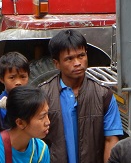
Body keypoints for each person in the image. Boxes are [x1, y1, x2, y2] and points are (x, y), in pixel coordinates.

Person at [40, 30, 123, 163]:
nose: (77, 63)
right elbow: (36, 141)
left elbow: (111, 139)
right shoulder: (43, 95)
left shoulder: (103, 94)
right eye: (69, 59)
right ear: (56, 63)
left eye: (81, 56)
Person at [0, 52, 31, 134]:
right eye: (12, 77)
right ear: (2, 79)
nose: (18, 82)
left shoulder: (33, 102)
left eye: (23, 77)